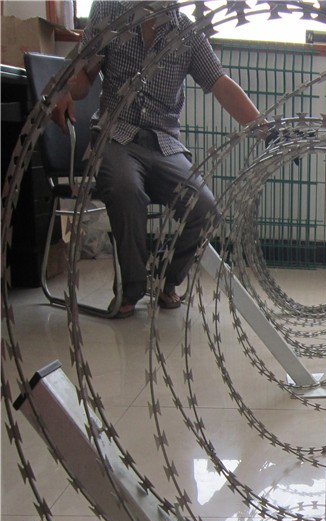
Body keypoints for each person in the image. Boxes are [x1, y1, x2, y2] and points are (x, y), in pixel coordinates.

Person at [52, 0, 263, 318]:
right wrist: (65, 88)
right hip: (115, 136)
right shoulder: (110, 12)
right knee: (125, 190)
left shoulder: (187, 31)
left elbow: (220, 84)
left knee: (205, 210)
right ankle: (131, 288)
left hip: (165, 145)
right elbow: (84, 76)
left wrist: (265, 129)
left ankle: (167, 279)